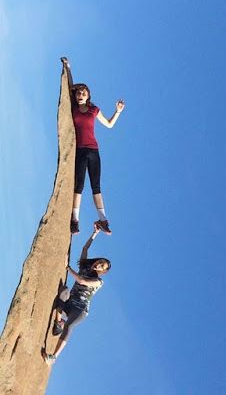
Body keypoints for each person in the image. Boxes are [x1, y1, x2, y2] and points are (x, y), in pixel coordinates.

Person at [61, 57, 125, 235]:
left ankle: (103, 220)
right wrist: (68, 67)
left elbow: (110, 125)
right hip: (80, 150)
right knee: (79, 185)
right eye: (78, 93)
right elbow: (69, 85)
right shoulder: (73, 109)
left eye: (83, 93)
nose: (80, 95)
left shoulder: (94, 110)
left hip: (93, 151)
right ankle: (75, 220)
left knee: (96, 186)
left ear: (88, 96)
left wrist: (118, 112)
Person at [43, 227, 111, 365]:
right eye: (100, 261)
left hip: (80, 310)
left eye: (101, 266)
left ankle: (53, 357)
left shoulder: (98, 281)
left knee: (69, 327)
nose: (98, 264)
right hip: (70, 300)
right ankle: (58, 323)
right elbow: (85, 249)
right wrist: (94, 234)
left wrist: (67, 268)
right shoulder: (85, 267)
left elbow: (81, 281)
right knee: (63, 292)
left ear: (102, 271)